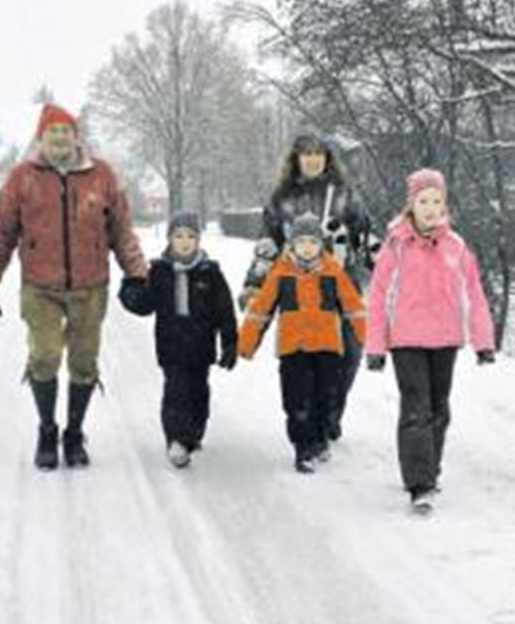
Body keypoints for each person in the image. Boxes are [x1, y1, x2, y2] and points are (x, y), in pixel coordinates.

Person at [0, 103, 148, 471]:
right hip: (41, 286)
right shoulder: (23, 177)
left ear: (75, 136)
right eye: (52, 132)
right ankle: (47, 430)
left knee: (84, 363)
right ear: (42, 137)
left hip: (90, 287)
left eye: (65, 131)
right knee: (45, 356)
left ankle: (74, 433)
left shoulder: (101, 175)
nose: (59, 138)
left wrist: (137, 274)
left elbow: (121, 231)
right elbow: (3, 233)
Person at [364, 168, 496, 513]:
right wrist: (375, 347)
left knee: (439, 409)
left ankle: (429, 469)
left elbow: (475, 294)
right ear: (411, 204)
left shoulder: (456, 246)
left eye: (437, 200)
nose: (431, 207)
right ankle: (419, 483)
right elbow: (378, 296)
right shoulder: (396, 245)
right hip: (406, 340)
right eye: (423, 201)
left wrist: (484, 342)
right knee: (416, 408)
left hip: (446, 339)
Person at [238, 134, 372, 442]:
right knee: (305, 361)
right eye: (306, 154)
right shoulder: (282, 198)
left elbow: (365, 238)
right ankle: (310, 422)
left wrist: (392, 273)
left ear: (327, 158)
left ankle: (331, 413)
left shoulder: (344, 194)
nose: (312, 159)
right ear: (296, 159)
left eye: (318, 154)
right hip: (298, 288)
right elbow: (267, 244)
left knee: (349, 355)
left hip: (342, 284)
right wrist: (254, 283)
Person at [237, 212, 367, 473]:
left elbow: (353, 307)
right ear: (291, 245)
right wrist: (246, 344)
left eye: (313, 242)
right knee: (296, 399)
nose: (307, 248)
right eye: (301, 242)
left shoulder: (333, 271)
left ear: (321, 245)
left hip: (328, 348)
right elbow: (261, 310)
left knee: (325, 396)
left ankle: (320, 439)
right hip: (293, 348)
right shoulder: (281, 272)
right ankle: (302, 447)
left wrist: (368, 339)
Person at [118, 211, 237, 469]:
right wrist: (130, 292)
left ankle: (194, 431)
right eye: (179, 236)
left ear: (199, 240)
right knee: (176, 392)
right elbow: (146, 304)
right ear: (170, 239)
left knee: (198, 393)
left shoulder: (210, 273)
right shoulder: (160, 271)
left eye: (190, 236)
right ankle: (176, 439)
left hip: (201, 347)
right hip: (171, 347)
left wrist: (230, 341)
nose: (184, 241)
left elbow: (224, 311)